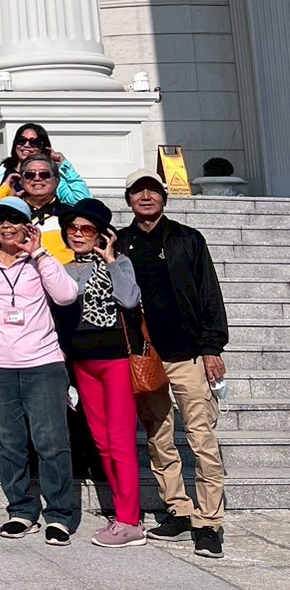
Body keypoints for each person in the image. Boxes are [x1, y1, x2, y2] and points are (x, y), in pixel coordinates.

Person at [117, 169, 228, 559]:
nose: (146, 196)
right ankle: (178, 510)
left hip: (188, 355)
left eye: (153, 190)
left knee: (202, 439)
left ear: (164, 197)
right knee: (159, 438)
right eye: (138, 191)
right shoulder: (121, 243)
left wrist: (212, 347)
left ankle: (209, 522)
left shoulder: (188, 239)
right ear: (129, 199)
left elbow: (209, 293)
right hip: (146, 357)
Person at [0, 197, 80, 546]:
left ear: (28, 225)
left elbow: (66, 296)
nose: (6, 226)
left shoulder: (41, 261)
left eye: (14, 219)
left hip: (42, 363)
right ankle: (21, 509)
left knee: (51, 442)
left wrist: (40, 253)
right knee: (8, 443)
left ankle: (59, 514)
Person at [54, 198, 146, 549]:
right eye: (73, 228)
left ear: (101, 234)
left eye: (87, 229)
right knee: (102, 441)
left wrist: (110, 259)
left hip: (115, 360)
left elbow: (129, 300)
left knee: (121, 439)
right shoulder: (63, 268)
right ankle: (123, 512)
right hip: (82, 363)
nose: (78, 234)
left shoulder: (119, 263)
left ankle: (130, 521)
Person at [0, 154, 73, 260]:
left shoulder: (72, 215)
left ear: (57, 180)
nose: (37, 178)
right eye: (29, 175)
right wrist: (4, 189)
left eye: (44, 174)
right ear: (21, 181)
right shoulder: (6, 216)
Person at [0, 123, 89, 205]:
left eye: (34, 142)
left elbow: (81, 200)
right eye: (21, 140)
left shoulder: (49, 175)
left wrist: (65, 166)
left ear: (43, 147)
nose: (26, 145)